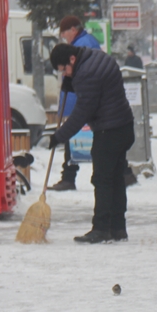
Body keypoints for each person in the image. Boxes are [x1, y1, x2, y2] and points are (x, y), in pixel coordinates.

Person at [48, 43, 135, 243]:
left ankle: (101, 228)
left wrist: (59, 136)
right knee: (115, 179)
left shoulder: (86, 73)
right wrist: (73, 81)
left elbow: (81, 113)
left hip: (109, 131)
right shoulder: (95, 57)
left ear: (72, 59)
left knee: (102, 180)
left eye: (64, 70)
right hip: (124, 126)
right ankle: (118, 227)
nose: (65, 75)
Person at [49, 15, 103, 192]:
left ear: (73, 30)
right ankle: (122, 172)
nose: (65, 38)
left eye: (65, 34)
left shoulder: (81, 45)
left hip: (81, 99)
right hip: (85, 98)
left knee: (74, 135)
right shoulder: (87, 41)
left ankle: (68, 177)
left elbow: (79, 77)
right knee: (95, 136)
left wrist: (69, 99)